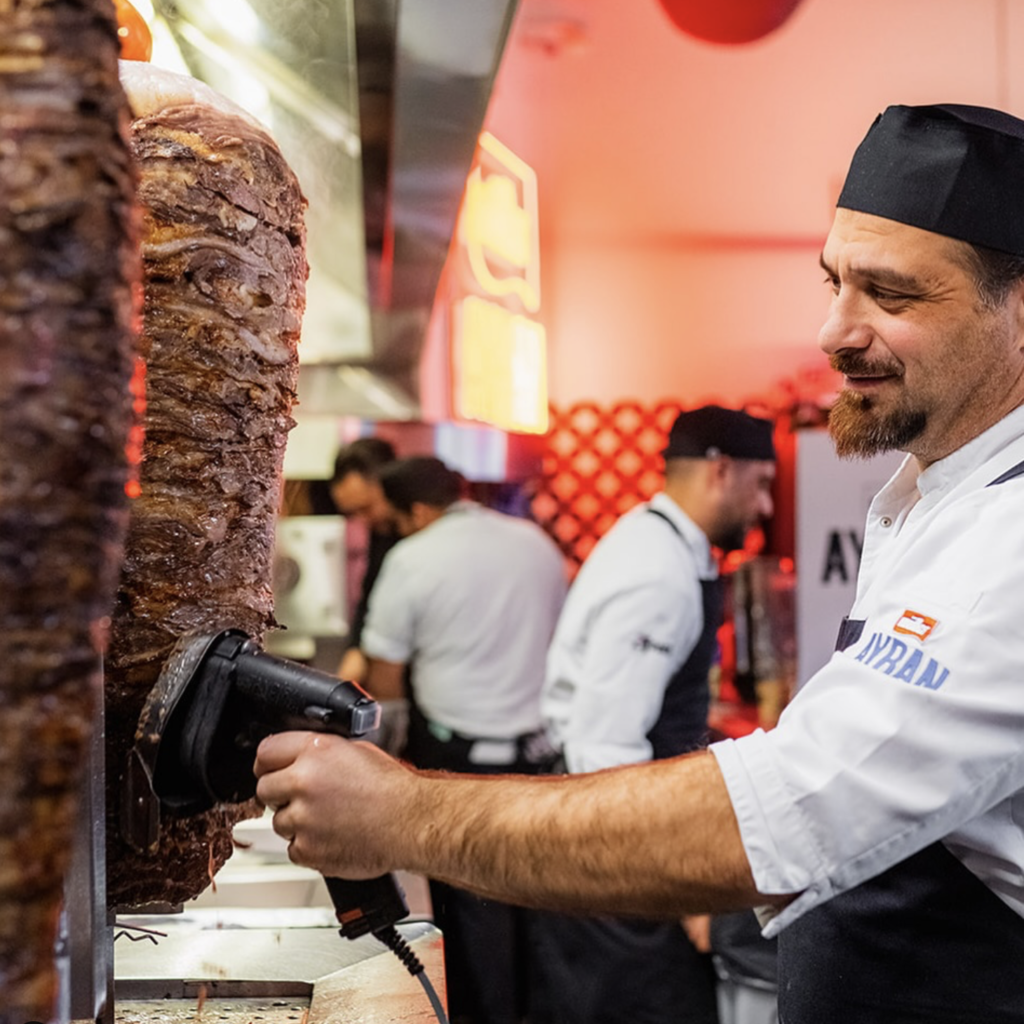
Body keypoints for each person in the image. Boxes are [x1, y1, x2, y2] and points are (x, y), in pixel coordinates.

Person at [256, 103, 1024, 1023]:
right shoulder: (927, 494)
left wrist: (401, 816)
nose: (833, 332)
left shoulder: (1009, 537)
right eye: (834, 283)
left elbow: (790, 810)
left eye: (890, 296)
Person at [533, 405, 775, 1024]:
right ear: (721, 472)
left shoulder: (668, 544)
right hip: (611, 848)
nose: (766, 507)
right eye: (762, 484)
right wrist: (677, 883)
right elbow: (603, 746)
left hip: (619, 833)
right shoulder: (657, 573)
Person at [359, 455, 568, 1024]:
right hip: (541, 758)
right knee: (539, 906)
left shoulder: (411, 558)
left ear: (420, 510)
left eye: (399, 520)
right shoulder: (536, 542)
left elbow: (385, 672)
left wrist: (382, 747)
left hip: (456, 761)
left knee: (471, 918)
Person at [328, 436, 397, 684]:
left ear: (388, 485)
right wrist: (355, 648)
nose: (362, 521)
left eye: (365, 508)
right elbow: (370, 592)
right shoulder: (380, 531)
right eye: (352, 513)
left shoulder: (421, 539)